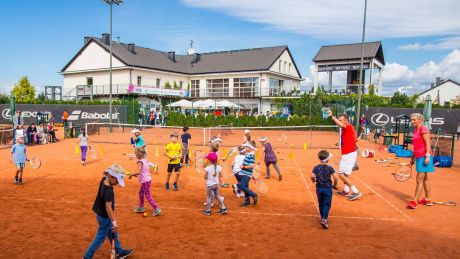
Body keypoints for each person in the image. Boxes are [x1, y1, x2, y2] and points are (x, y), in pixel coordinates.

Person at [83, 164, 134, 259]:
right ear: (111, 176)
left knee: (113, 233)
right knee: (100, 238)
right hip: (105, 217)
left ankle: (119, 251)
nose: (118, 183)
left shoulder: (104, 179)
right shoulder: (109, 191)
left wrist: (109, 171)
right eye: (117, 181)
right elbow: (108, 208)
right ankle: (87, 257)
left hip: (99, 213)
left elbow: (106, 172)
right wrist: (114, 222)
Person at [327, 111, 362, 201]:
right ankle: (346, 191)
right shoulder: (348, 128)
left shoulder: (348, 126)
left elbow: (341, 125)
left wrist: (332, 117)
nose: (339, 122)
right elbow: (355, 140)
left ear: (345, 121)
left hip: (349, 154)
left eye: (341, 120)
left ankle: (356, 191)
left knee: (341, 174)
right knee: (346, 174)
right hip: (350, 153)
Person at [407, 113, 435, 209]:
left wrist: (427, 156)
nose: (412, 121)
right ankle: (427, 199)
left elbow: (428, 143)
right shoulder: (415, 131)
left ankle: (414, 201)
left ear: (420, 120)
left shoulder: (424, 129)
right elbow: (417, 146)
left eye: (414, 120)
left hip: (424, 157)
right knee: (425, 179)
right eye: (412, 120)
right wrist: (412, 158)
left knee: (419, 180)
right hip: (419, 156)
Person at [311, 150, 339, 229]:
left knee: (321, 203)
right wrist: (334, 185)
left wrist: (314, 181)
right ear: (328, 159)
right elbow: (336, 178)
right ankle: (324, 219)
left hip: (319, 188)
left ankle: (322, 217)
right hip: (327, 188)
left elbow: (312, 176)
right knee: (327, 204)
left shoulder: (316, 168)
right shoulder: (330, 168)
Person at [130, 148, 162, 217]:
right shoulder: (146, 160)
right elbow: (143, 171)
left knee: (147, 195)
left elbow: (139, 172)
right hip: (147, 180)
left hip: (145, 181)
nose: (135, 154)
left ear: (140, 154)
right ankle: (141, 207)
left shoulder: (139, 162)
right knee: (141, 193)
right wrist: (136, 175)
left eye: (136, 153)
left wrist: (132, 174)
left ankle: (157, 208)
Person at [238, 140, 258, 207]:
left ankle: (254, 194)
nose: (245, 148)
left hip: (247, 174)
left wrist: (243, 166)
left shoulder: (251, 155)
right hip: (243, 173)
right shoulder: (248, 153)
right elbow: (241, 151)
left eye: (247, 147)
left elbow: (252, 165)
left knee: (240, 185)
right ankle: (247, 201)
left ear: (250, 148)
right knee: (245, 186)